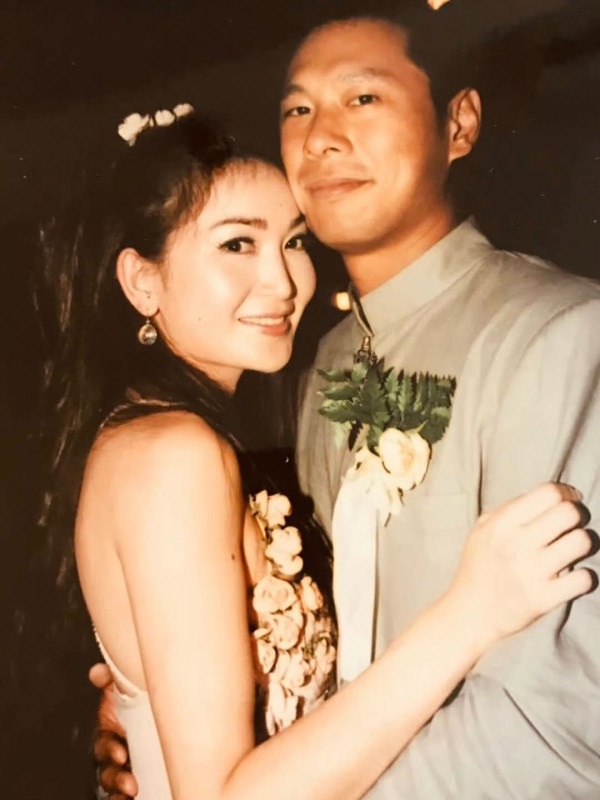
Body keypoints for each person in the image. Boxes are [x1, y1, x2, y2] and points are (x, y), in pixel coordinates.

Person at [96, 5, 600, 798]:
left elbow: (564, 725)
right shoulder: (309, 370)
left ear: (459, 124)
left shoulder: (562, 335)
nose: (320, 138)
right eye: (297, 109)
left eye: (362, 97)